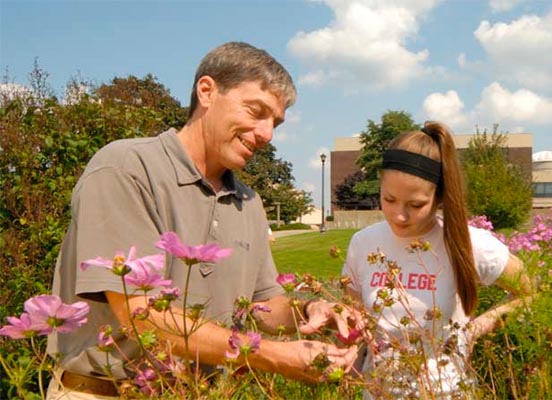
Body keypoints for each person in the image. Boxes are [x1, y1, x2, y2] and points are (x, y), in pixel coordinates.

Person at [46, 42, 358, 398]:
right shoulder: (126, 169)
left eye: (275, 122)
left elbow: (263, 304)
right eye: (256, 111)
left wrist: (311, 309)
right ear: (207, 91)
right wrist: (268, 355)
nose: (267, 134)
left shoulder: (249, 202)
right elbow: (140, 316)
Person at [341, 121, 533, 399]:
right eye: (389, 199)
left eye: (416, 204)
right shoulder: (363, 243)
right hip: (378, 392)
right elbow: (354, 316)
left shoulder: (466, 243)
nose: (399, 215)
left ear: (440, 197)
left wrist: (486, 321)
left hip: (446, 391)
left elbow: (530, 290)